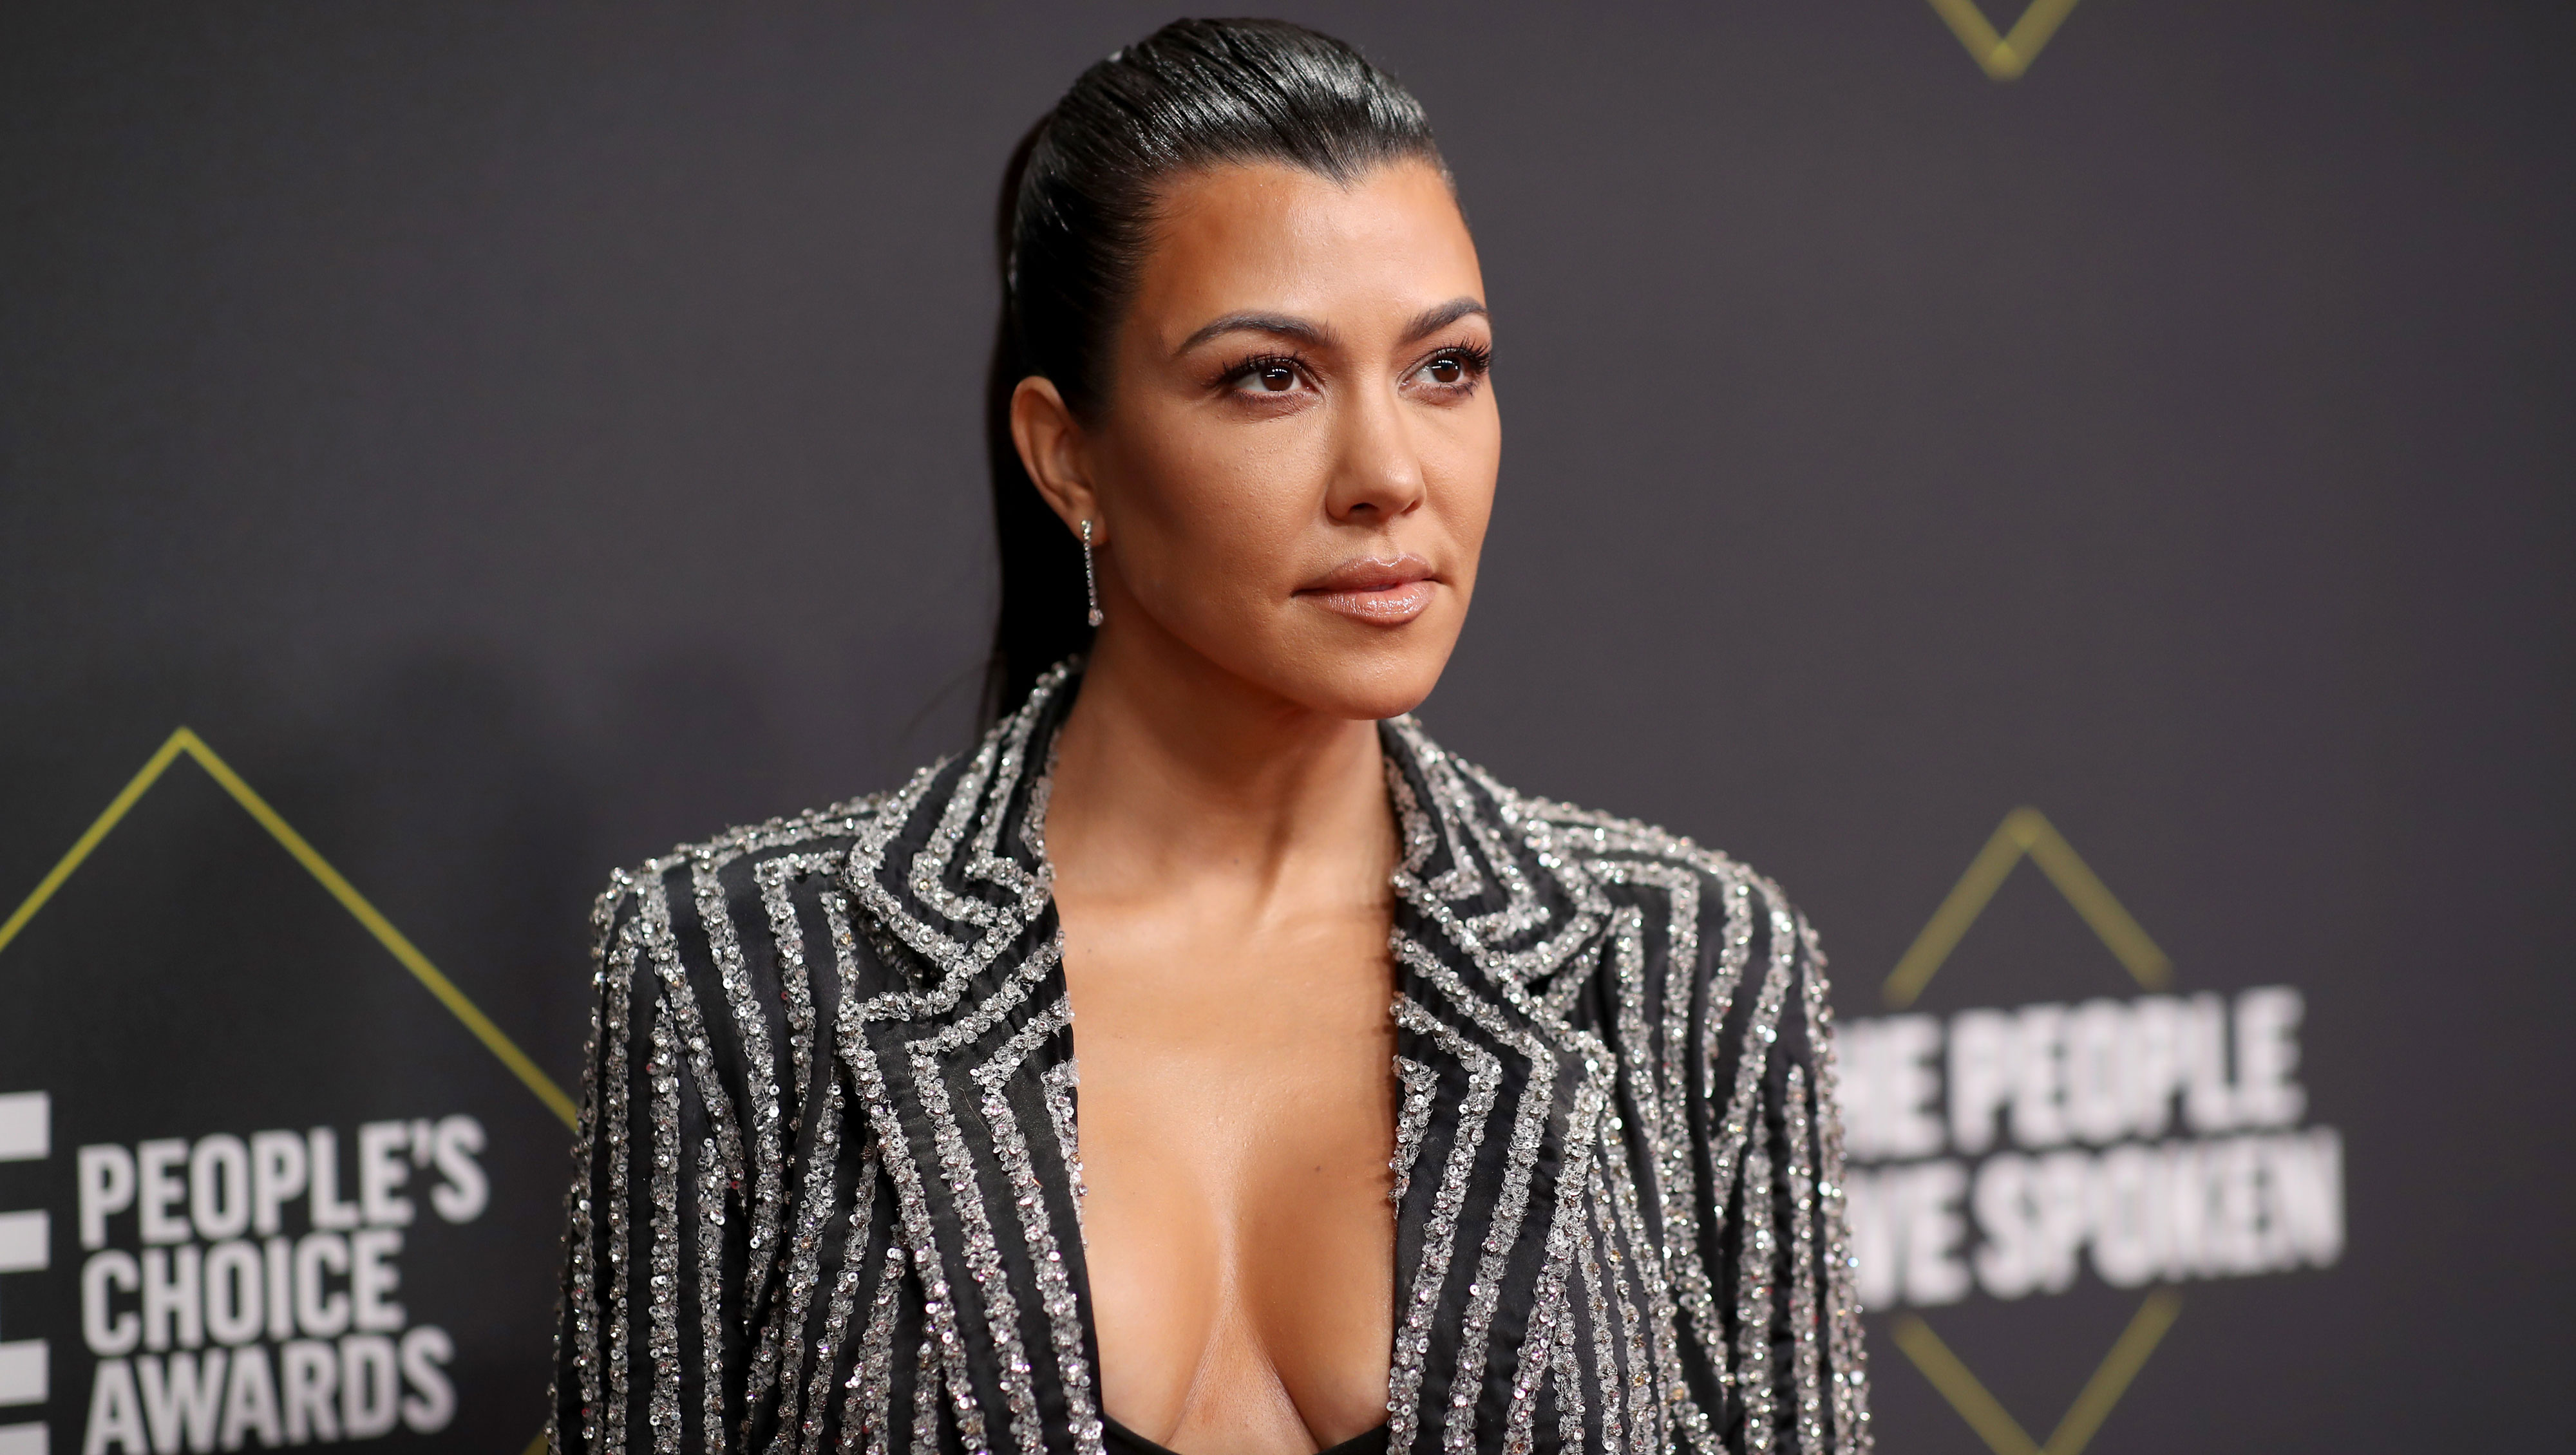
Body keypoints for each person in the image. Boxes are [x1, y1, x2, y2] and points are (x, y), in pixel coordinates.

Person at [551, 18, 1869, 1455]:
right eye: (1269, 377)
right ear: (1068, 454)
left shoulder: (1688, 964)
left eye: (1445, 368)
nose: (1386, 474)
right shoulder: (732, 972)